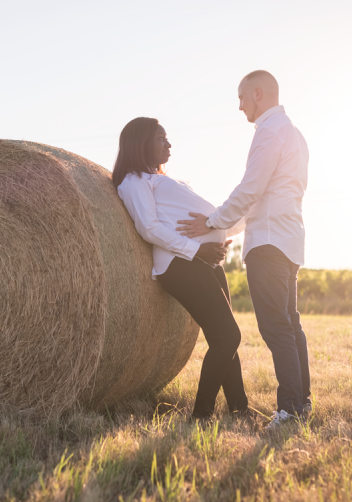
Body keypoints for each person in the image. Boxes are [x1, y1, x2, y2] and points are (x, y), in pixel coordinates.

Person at [177, 70, 311, 428]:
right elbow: (267, 196)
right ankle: (302, 404)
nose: (239, 107)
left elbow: (250, 190)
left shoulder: (269, 131)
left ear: (257, 93)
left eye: (240, 99)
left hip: (268, 243)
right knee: (291, 325)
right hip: (288, 241)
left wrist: (212, 222)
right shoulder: (295, 135)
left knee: (276, 328)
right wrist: (227, 227)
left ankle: (289, 411)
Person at [113, 117, 250, 423]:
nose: (169, 143)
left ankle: (240, 410)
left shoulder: (162, 178)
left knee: (223, 336)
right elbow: (148, 227)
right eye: (161, 138)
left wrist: (218, 236)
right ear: (141, 143)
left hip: (204, 261)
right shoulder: (134, 181)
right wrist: (196, 248)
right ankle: (200, 417)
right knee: (228, 335)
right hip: (180, 264)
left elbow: (182, 217)